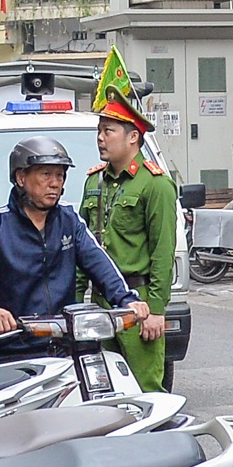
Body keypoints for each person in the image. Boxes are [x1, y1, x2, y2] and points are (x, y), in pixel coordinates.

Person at [0, 137, 148, 348]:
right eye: (46, 174)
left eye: (60, 175)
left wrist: (127, 299)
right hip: (10, 349)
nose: (54, 183)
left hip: (64, 347)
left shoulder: (70, 221)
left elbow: (99, 263)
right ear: (21, 177)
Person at [78, 79, 177, 391]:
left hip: (139, 304)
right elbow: (81, 250)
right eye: (99, 131)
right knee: (101, 394)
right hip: (99, 304)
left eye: (109, 131)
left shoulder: (155, 184)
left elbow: (163, 252)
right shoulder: (94, 182)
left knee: (146, 391)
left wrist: (157, 311)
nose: (100, 138)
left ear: (133, 137)